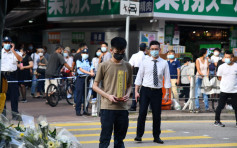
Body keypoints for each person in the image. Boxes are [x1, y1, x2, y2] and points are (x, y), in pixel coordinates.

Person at [92, 37, 132, 148]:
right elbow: (95, 86)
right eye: (117, 52)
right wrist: (108, 96)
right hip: (107, 108)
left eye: (122, 52)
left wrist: (128, 95)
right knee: (105, 140)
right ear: (111, 50)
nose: (120, 54)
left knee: (120, 141)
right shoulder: (103, 65)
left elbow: (129, 86)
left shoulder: (127, 66)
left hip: (122, 108)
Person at [134, 41, 171, 144]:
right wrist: (136, 91)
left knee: (156, 115)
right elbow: (139, 77)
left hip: (157, 91)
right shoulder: (144, 61)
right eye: (152, 49)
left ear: (160, 50)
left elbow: (167, 79)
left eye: (156, 49)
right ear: (149, 50)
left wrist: (167, 93)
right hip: (145, 90)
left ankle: (156, 136)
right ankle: (139, 135)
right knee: (142, 113)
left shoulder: (164, 63)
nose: (154, 51)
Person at [1, 36, 22, 119]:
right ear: (2, 44)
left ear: (11, 43)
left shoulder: (15, 52)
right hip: (2, 75)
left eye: (8, 42)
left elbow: (20, 59)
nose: (6, 44)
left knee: (14, 96)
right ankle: (3, 115)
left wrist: (13, 50)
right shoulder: (1, 52)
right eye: (5, 42)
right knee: (2, 96)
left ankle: (15, 114)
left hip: (12, 75)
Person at [214, 50, 237, 127]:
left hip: (234, 90)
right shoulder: (221, 67)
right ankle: (217, 121)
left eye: (228, 57)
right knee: (220, 106)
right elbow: (219, 77)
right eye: (225, 57)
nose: (226, 59)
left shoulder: (236, 66)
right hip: (224, 90)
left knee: (236, 107)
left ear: (232, 58)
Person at [75, 48, 95, 116]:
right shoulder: (79, 61)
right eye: (84, 53)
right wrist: (89, 73)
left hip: (87, 79)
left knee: (86, 95)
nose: (85, 54)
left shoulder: (89, 61)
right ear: (81, 54)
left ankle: (85, 110)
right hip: (80, 79)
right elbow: (81, 69)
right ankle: (78, 110)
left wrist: (91, 73)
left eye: (86, 53)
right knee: (79, 95)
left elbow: (92, 69)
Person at [128, 43, 147, 111]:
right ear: (145, 49)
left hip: (135, 73)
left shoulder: (134, 55)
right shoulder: (146, 57)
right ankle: (143, 106)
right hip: (145, 74)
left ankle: (133, 106)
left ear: (139, 47)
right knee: (143, 90)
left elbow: (131, 66)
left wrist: (130, 75)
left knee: (135, 90)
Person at [195, 48, 210, 112]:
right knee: (197, 92)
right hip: (199, 77)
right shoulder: (198, 60)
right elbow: (198, 69)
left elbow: (208, 68)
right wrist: (202, 75)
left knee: (205, 92)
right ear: (204, 53)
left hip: (205, 77)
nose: (207, 53)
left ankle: (207, 107)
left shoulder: (207, 59)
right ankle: (197, 107)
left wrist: (207, 75)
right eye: (206, 52)